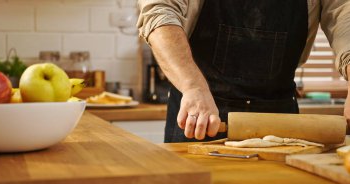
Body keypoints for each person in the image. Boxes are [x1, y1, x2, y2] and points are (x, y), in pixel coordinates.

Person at [137, 0, 350, 143]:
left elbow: (344, 14)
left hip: (280, 117)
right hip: (202, 114)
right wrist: (193, 87)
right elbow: (160, 13)